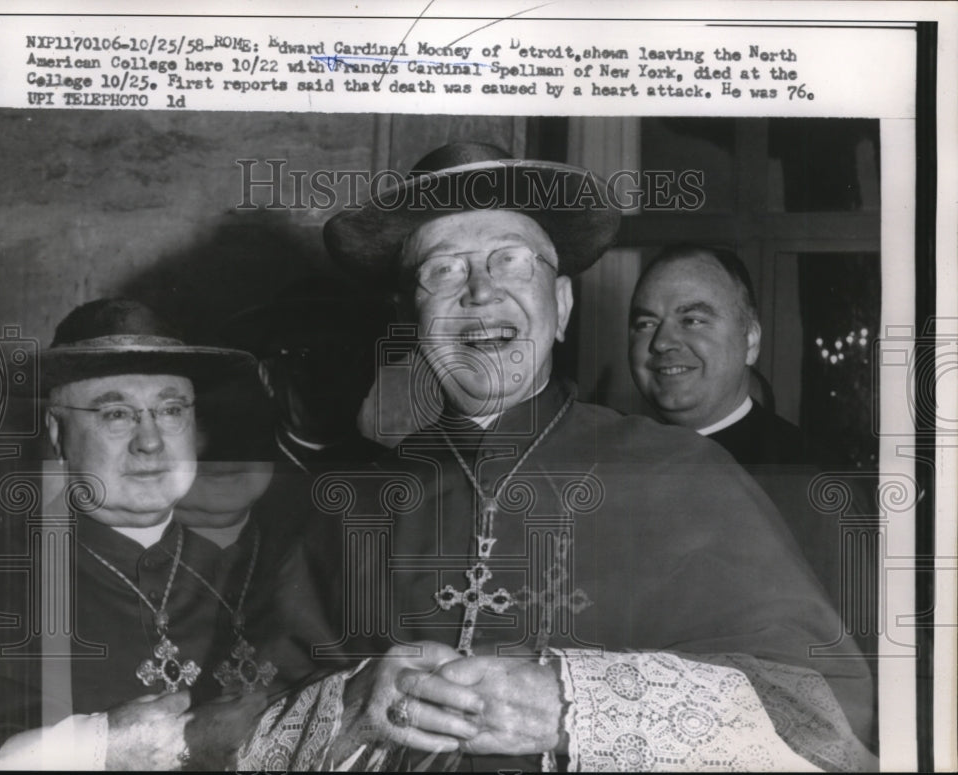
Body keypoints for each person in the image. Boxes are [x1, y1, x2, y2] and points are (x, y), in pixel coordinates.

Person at [236, 143, 877, 772]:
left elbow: (825, 715)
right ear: (408, 319)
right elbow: (237, 718)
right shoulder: (350, 504)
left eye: (512, 263)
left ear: (563, 306)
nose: (480, 292)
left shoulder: (680, 472)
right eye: (444, 270)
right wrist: (353, 701)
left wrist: (572, 707)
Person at [0, 298, 266, 770]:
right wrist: (95, 747)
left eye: (172, 409)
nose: (151, 441)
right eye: (116, 414)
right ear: (57, 432)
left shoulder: (263, 556)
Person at [627, 245, 842, 600]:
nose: (662, 342)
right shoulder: (607, 463)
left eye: (692, 320)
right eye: (646, 323)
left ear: (751, 340)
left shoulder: (810, 482)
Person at [218, 275, 393, 474]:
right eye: (301, 356)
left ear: (368, 377)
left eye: (342, 356)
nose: (323, 377)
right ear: (266, 377)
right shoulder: (235, 476)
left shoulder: (395, 474)